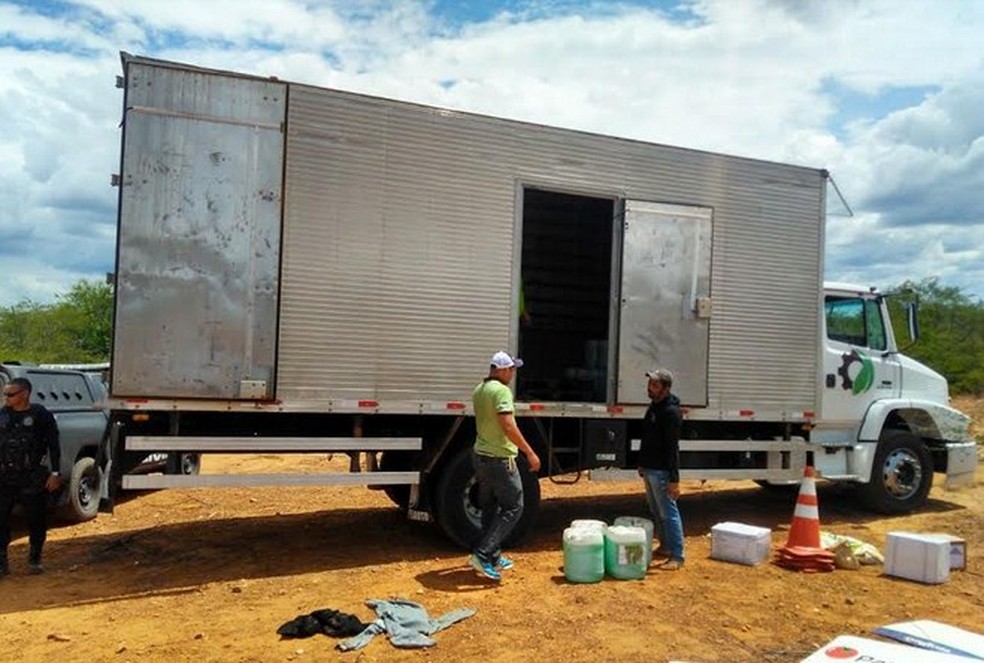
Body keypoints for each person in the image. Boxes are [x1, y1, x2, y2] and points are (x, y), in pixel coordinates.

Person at [469, 351, 541, 581]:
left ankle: (493, 555)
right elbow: (508, 425)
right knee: (514, 506)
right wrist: (529, 453)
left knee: (491, 507)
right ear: (500, 370)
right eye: (510, 369)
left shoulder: (480, 390)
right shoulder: (501, 391)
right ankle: (483, 554)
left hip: (480, 456)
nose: (512, 373)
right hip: (499, 459)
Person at [1, 378, 62, 576]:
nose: (6, 398)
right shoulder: (2, 415)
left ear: (25, 394)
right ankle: (2, 563)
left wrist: (55, 473)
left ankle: (35, 558)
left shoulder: (41, 415)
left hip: (32, 476)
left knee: (36, 519)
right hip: (5, 476)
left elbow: (54, 445)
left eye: (10, 394)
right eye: (5, 394)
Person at [637, 368, 684, 570]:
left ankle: (677, 556)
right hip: (650, 468)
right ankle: (665, 546)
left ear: (665, 388)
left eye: (655, 385)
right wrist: (642, 462)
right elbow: (647, 438)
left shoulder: (671, 412)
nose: (650, 388)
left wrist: (674, 479)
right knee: (656, 510)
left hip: (662, 471)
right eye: (650, 384)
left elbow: (672, 448)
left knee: (668, 512)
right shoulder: (654, 408)